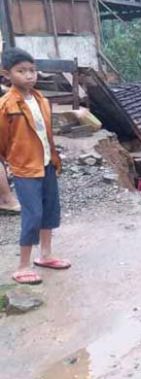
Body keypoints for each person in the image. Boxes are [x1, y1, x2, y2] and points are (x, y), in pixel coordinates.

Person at [0, 47, 71, 284]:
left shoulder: (40, 99)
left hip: (47, 163)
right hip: (25, 168)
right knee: (33, 214)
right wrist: (11, 160)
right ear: (6, 74)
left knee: (50, 211)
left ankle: (46, 255)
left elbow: (46, 132)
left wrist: (54, 157)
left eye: (32, 70)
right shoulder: (6, 105)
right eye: (21, 71)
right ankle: (22, 266)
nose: (29, 76)